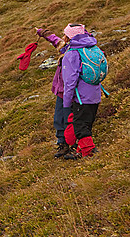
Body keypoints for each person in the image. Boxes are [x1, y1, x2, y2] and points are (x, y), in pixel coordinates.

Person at [60, 23, 101, 159]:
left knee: (79, 125)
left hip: (81, 97)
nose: (63, 37)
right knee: (87, 122)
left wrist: (66, 103)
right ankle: (81, 151)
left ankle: (89, 151)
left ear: (69, 37)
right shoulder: (92, 47)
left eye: (65, 34)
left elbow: (70, 82)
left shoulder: (72, 54)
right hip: (95, 93)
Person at [34, 26, 70, 158]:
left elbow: (56, 41)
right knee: (61, 119)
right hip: (65, 91)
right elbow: (55, 40)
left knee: (64, 118)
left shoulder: (71, 51)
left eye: (65, 35)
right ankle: (64, 143)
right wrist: (43, 33)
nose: (63, 37)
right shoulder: (66, 47)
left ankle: (67, 144)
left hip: (68, 92)